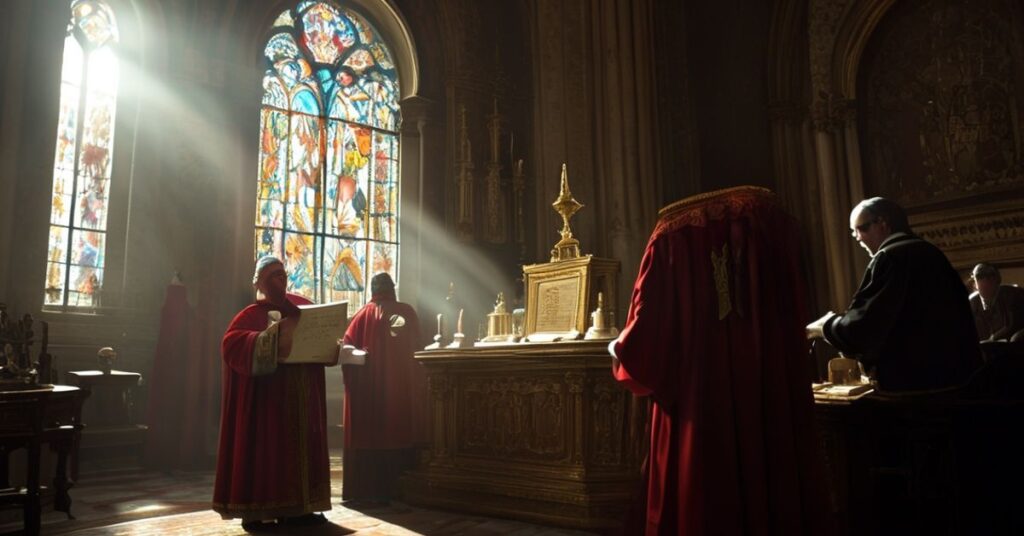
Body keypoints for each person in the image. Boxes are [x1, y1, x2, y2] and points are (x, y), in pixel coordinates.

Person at [611, 186, 832, 535]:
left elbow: (646, 332)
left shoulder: (673, 234)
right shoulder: (768, 224)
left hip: (699, 398)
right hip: (764, 383)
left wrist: (619, 349)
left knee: (701, 489)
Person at [213, 256, 338, 531]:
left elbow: (325, 337)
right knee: (267, 452)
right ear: (258, 282)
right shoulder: (249, 315)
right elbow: (231, 346)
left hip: (303, 397)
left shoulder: (303, 307)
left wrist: (331, 345)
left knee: (301, 450)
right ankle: (257, 512)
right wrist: (269, 339)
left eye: (282, 274)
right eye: (272, 275)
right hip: (268, 403)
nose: (280, 279)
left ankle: (301, 510)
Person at [806, 197, 981, 391]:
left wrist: (825, 326)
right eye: (853, 231)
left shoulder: (890, 257)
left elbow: (864, 327)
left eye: (861, 228)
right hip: (958, 381)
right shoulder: (931, 252)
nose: (857, 237)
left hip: (916, 388)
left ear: (883, 223)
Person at [341, 272, 427, 506]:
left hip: (368, 397)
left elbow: (345, 352)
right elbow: (420, 351)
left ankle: (365, 491)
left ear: (372, 290)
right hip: (401, 391)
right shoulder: (406, 312)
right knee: (399, 426)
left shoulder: (360, 316)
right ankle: (400, 488)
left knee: (372, 431)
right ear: (392, 288)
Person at [970, 263, 1024, 343]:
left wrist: (993, 339)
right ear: (975, 284)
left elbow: (1010, 325)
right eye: (979, 279)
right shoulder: (972, 302)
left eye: (989, 278)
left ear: (996, 281)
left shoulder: (1015, 295)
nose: (985, 283)